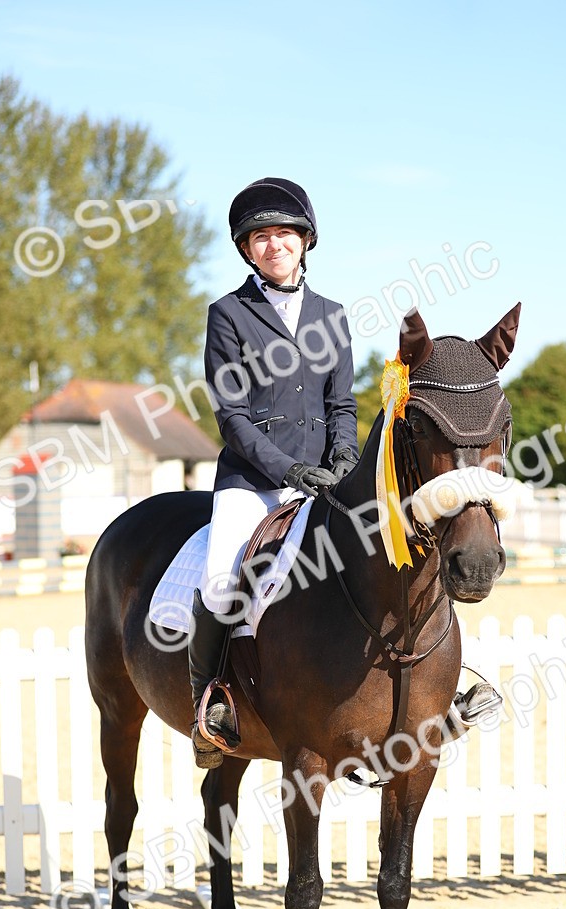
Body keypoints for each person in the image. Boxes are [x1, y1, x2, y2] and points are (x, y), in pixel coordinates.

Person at [189, 177, 360, 767]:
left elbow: (343, 405)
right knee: (219, 579)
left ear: (305, 241)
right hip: (252, 482)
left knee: (390, 550)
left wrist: (344, 460)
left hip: (325, 480)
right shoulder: (228, 315)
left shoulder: (332, 316)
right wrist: (289, 470)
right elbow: (232, 417)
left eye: (285, 233)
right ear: (247, 249)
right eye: (261, 236)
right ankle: (207, 706)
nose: (274, 244)